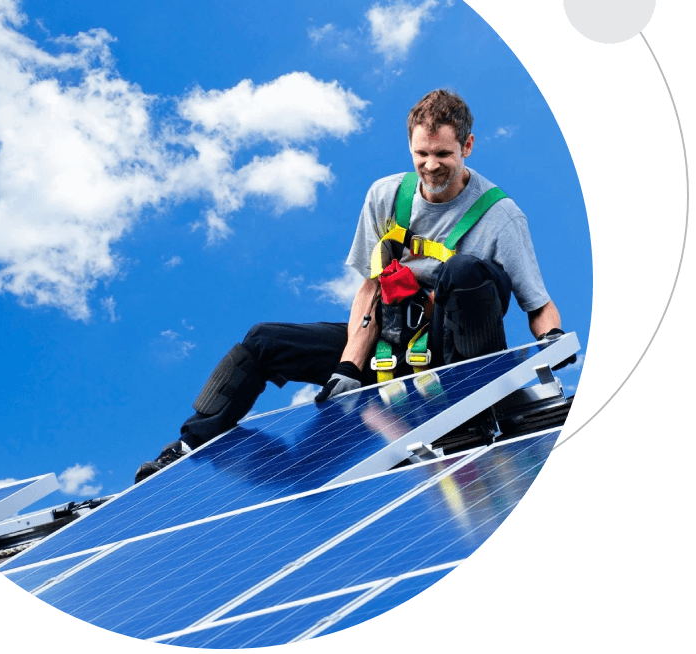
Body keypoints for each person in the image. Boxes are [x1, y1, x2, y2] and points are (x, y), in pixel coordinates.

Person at [134, 89, 572, 484]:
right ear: (410, 147)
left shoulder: (501, 215)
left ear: (467, 147)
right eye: (421, 153)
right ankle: (189, 448)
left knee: (464, 271)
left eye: (443, 154)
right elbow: (370, 286)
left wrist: (551, 341)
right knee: (263, 341)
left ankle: (471, 409)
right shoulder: (384, 197)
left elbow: (538, 305)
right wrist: (348, 366)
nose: (431, 165)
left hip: (452, 350)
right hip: (388, 343)